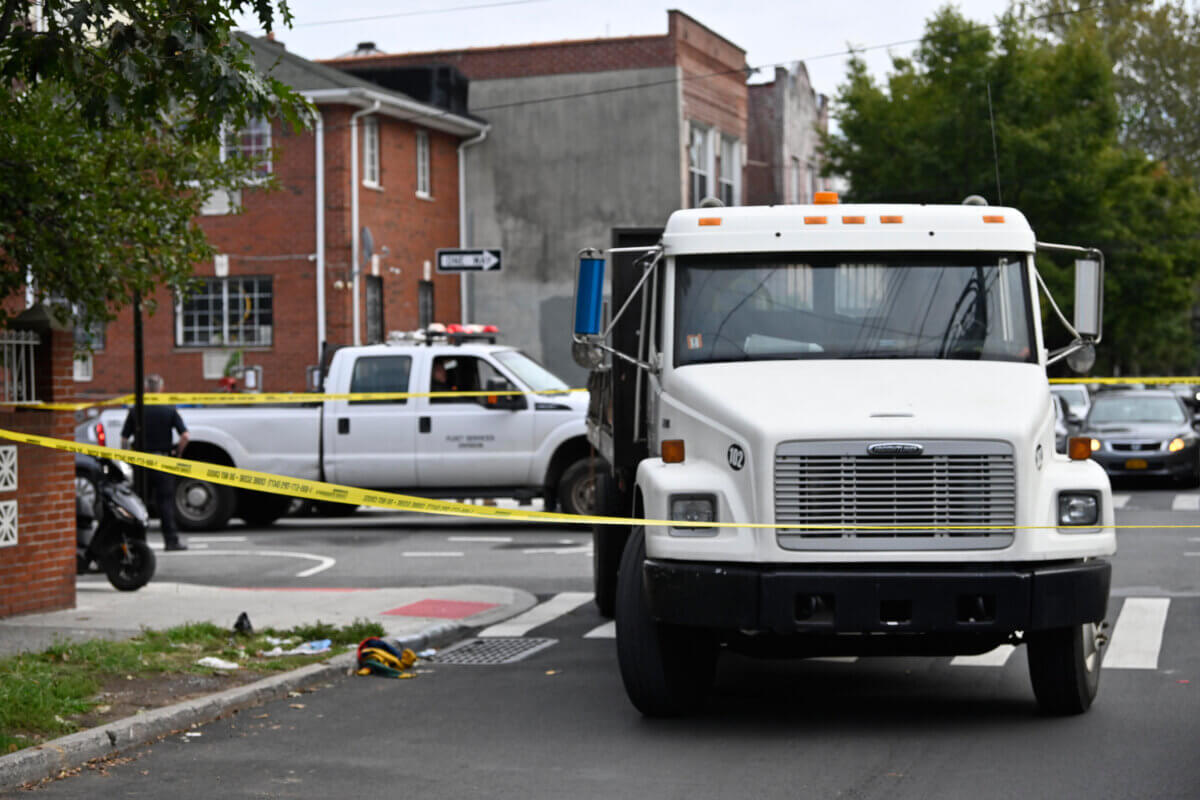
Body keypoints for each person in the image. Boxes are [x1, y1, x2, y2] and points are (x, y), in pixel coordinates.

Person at [121, 374, 190, 551]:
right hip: (163, 461)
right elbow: (185, 436)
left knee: (138, 503)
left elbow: (124, 439)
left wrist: (129, 457)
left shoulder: (136, 410)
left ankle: (138, 542)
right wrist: (177, 453)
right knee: (165, 502)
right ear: (161, 389)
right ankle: (171, 541)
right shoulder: (169, 410)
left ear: (145, 389)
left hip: (142, 462)